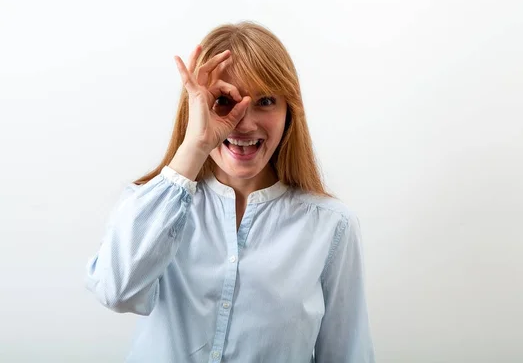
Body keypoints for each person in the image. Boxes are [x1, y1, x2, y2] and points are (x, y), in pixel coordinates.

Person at [85, 21, 375, 362]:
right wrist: (195, 144)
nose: (245, 123)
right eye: (224, 100)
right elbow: (116, 292)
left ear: (288, 114)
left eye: (265, 101)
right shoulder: (148, 205)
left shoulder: (332, 227)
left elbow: (347, 353)